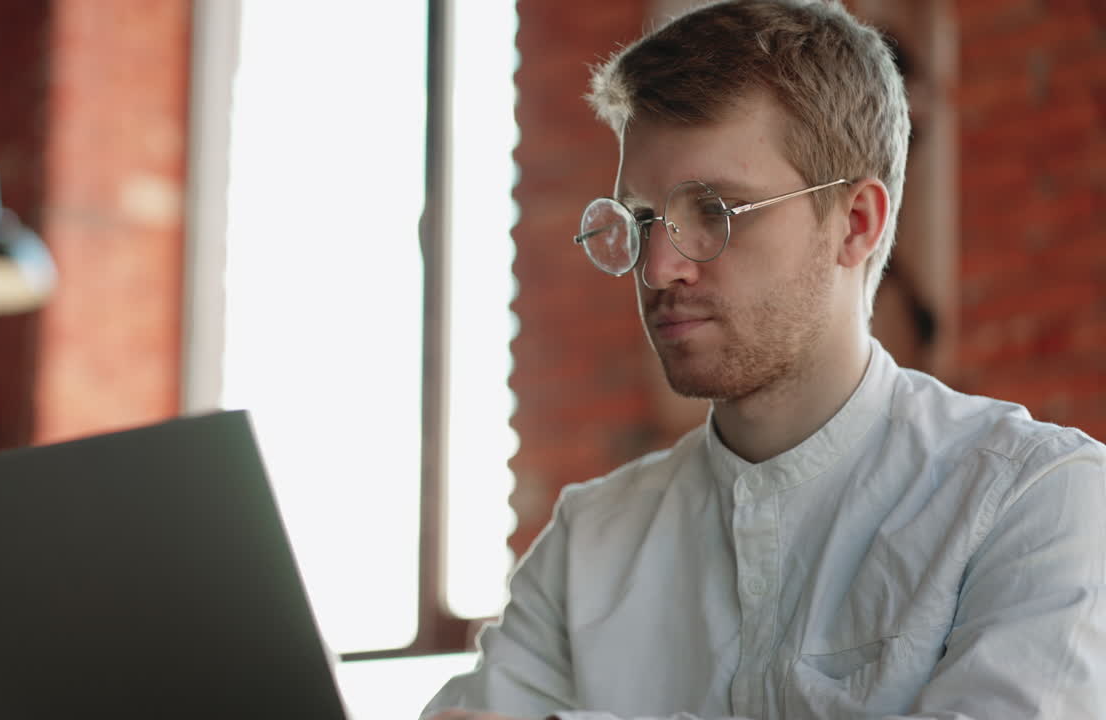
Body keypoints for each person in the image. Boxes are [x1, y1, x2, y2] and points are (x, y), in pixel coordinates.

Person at [421, 0, 1106, 718]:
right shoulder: (585, 545)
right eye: (644, 219)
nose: (657, 268)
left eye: (714, 211)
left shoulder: (1036, 502)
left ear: (856, 224)